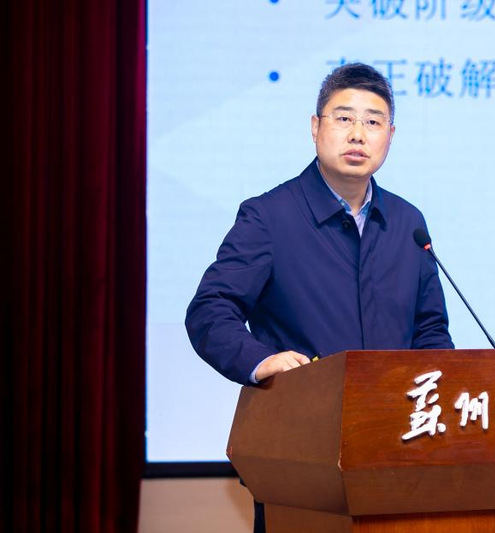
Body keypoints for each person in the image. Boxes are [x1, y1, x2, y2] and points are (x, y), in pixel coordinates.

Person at [185, 63, 453, 532]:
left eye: (373, 122)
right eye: (343, 118)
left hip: (398, 455)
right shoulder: (269, 217)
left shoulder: (408, 223)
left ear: (390, 136)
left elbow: (430, 332)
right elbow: (210, 310)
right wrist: (261, 361)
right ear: (315, 128)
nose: (358, 134)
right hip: (301, 457)